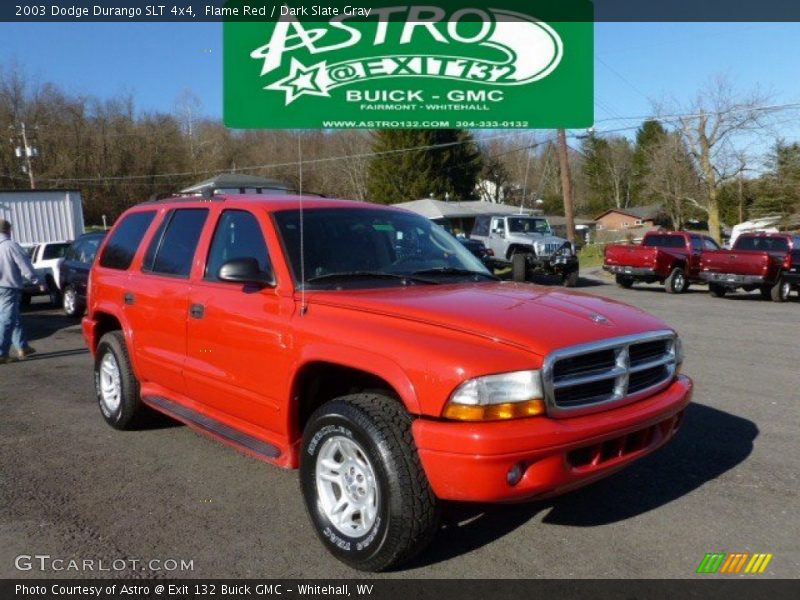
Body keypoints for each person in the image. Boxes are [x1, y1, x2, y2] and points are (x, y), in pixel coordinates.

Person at [0, 219, 42, 364]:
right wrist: (37, 281)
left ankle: (22, 346)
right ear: (8, 230)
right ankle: (1, 353)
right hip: (9, 286)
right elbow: (24, 265)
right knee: (8, 319)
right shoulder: (11, 246)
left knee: (13, 316)